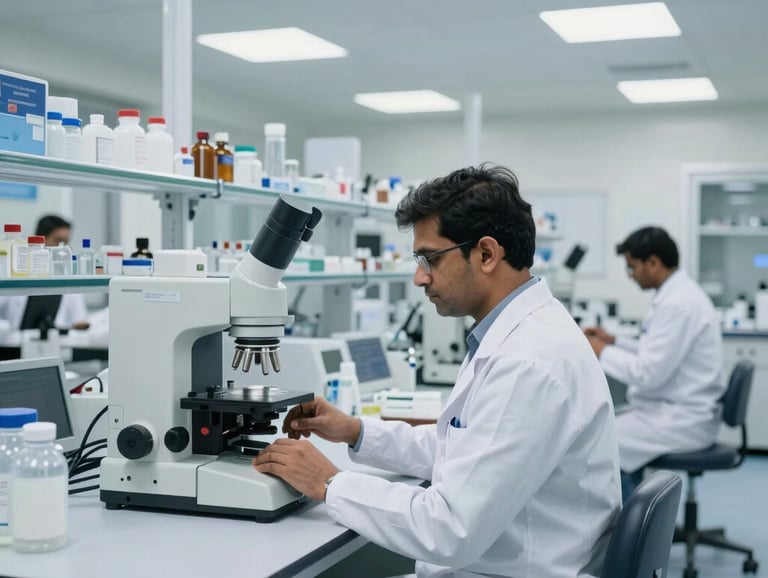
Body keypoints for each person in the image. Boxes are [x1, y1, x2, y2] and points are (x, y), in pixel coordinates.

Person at [253, 164, 621, 578]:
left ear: (486, 254)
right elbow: (460, 449)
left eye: (429, 258)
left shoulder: (528, 361)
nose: (419, 277)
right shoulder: (518, 334)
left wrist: (328, 482)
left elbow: (450, 529)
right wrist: (357, 431)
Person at [584, 226, 724, 500]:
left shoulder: (678, 304)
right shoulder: (677, 296)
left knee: (602, 441)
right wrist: (614, 341)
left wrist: (600, 351)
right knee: (607, 431)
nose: (631, 275)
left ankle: (632, 535)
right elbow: (656, 350)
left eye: (632, 267)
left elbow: (648, 372)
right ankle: (634, 521)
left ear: (653, 263)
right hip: (675, 411)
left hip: (683, 420)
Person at [0, 215, 89, 331]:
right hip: (13, 344)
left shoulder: (68, 275)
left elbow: (79, 319)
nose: (62, 248)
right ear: (40, 239)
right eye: (58, 241)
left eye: (66, 243)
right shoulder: (17, 267)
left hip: (57, 342)